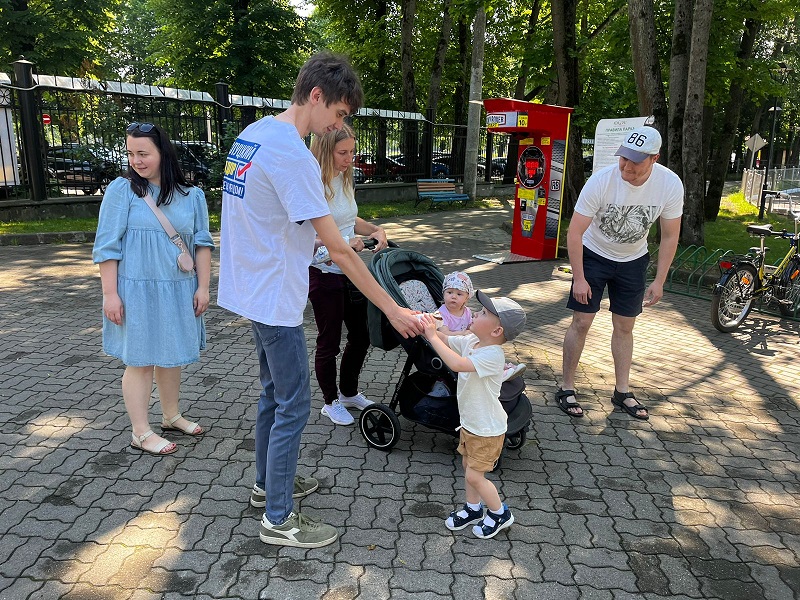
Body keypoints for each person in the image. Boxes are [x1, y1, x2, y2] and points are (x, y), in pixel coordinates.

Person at [217, 52, 422, 549]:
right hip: (274, 296)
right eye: (340, 112)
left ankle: (268, 485)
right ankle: (279, 518)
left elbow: (271, 218)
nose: (339, 124)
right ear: (316, 95)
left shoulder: (255, 133)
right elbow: (340, 251)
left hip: (250, 286)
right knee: (293, 404)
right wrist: (393, 308)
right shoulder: (292, 154)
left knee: (273, 394)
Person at [92, 122, 214, 455]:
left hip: (178, 288)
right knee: (141, 360)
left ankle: (171, 415)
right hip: (136, 292)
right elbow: (106, 247)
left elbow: (202, 244)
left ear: (163, 153)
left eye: (143, 153)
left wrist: (203, 287)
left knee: (171, 355)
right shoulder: (122, 191)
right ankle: (141, 432)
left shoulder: (192, 195)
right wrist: (110, 294)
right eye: (131, 153)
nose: (136, 161)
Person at [557, 125, 684, 419]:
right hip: (593, 255)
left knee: (625, 326)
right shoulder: (602, 180)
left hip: (633, 260)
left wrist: (660, 280)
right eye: (623, 158)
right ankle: (567, 387)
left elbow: (669, 236)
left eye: (635, 161)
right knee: (581, 321)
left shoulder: (669, 184)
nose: (626, 166)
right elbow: (574, 232)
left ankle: (622, 391)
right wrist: (579, 278)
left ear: (654, 158)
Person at [419, 291, 527, 539]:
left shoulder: (492, 355)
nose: (476, 314)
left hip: (487, 430)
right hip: (471, 424)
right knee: (467, 466)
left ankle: (499, 513)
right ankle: (473, 509)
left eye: (484, 313)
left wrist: (432, 336)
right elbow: (446, 340)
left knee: (474, 475)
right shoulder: (472, 341)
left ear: (497, 331)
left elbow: (457, 364)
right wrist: (429, 326)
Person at [308, 124, 387, 426]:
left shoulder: (344, 177)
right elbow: (305, 238)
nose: (349, 158)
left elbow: (350, 219)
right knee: (329, 342)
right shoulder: (312, 183)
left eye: (352, 151)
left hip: (350, 269)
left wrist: (376, 229)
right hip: (324, 272)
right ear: (326, 151)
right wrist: (343, 244)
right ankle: (330, 402)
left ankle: (349, 392)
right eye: (343, 152)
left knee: (361, 335)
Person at [437, 271, 526, 381]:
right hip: (451, 346)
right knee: (479, 346)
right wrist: (464, 333)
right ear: (443, 293)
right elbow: (444, 334)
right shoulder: (441, 313)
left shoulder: (466, 311)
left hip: (463, 342)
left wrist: (472, 332)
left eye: (459, 294)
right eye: (449, 292)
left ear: (466, 298)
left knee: (482, 344)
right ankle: (499, 371)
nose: (453, 296)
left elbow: (470, 326)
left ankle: (499, 369)